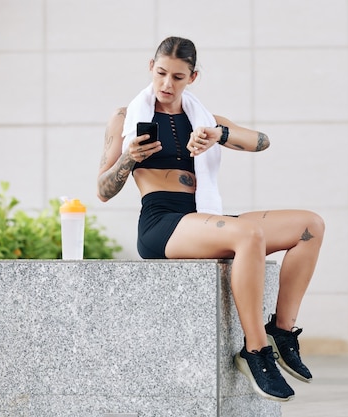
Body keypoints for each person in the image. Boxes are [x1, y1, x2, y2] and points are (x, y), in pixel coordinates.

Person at [97, 36, 324, 402]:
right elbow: (103, 190)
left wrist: (220, 135)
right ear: (150, 68)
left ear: (193, 77)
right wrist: (129, 158)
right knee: (248, 234)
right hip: (161, 225)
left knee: (310, 225)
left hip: (202, 218)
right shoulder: (126, 118)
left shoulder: (203, 120)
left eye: (178, 77)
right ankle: (255, 350)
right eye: (161, 74)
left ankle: (281, 330)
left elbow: (262, 141)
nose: (167, 85)